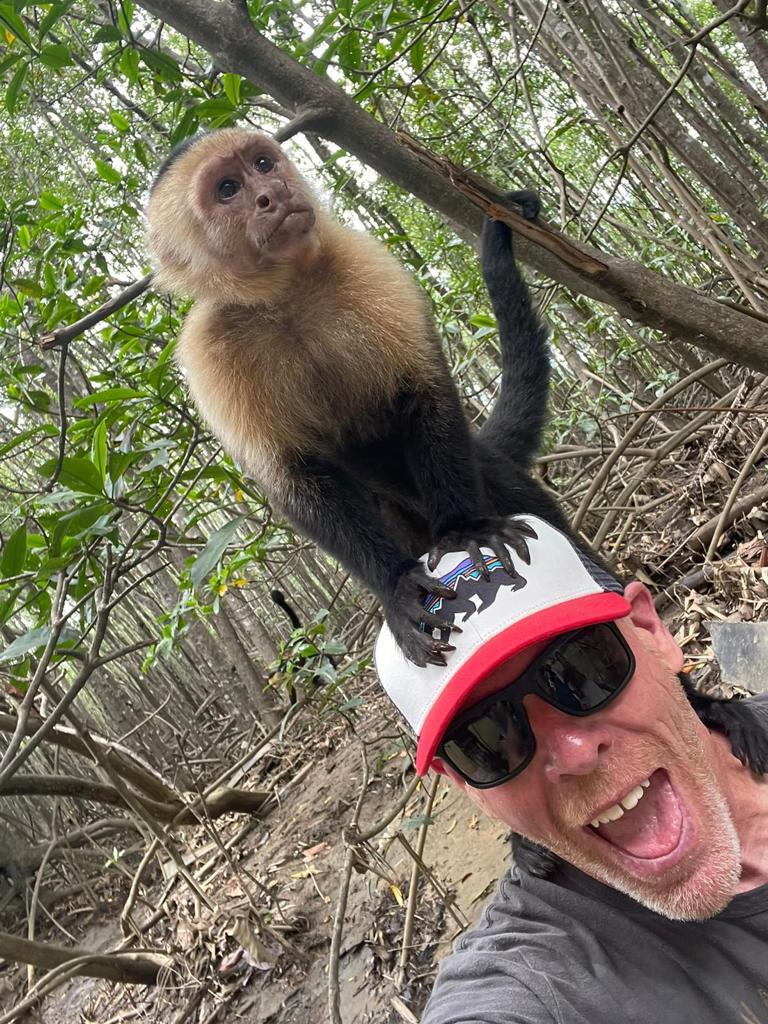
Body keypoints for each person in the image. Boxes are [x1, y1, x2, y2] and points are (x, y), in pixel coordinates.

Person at [375, 515, 768, 1024]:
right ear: (463, 785)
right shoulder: (533, 981)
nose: (576, 754)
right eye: (489, 740)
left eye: (585, 670)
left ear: (652, 631)